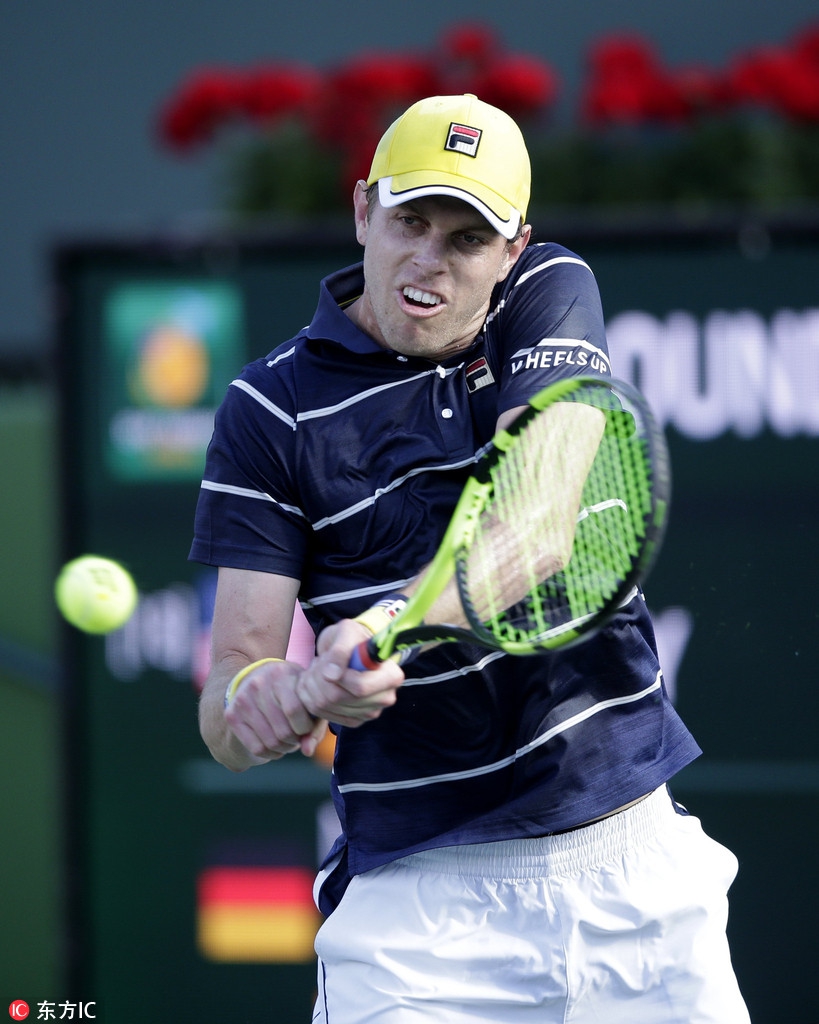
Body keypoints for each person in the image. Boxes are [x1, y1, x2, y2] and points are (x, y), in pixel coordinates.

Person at [191, 94, 750, 1023]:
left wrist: (382, 626)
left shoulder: (548, 292)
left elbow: (535, 523)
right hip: (418, 921)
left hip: (633, 877)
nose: (429, 260)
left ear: (512, 251)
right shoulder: (267, 410)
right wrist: (279, 698)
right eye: (409, 222)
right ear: (362, 209)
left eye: (466, 240)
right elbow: (229, 698)